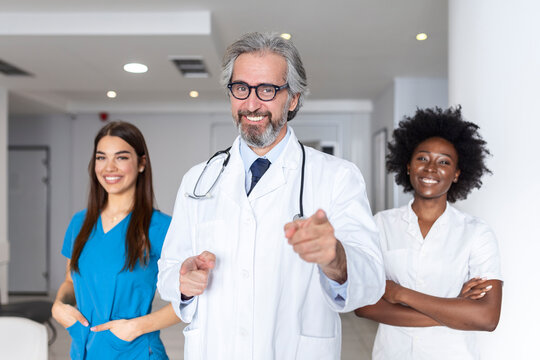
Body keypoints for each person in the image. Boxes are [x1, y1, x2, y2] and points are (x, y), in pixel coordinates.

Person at [157, 32, 384, 359]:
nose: (251, 104)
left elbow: (372, 280)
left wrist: (336, 258)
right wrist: (183, 282)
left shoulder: (338, 177)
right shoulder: (199, 179)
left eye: (267, 90)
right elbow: (168, 271)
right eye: (241, 89)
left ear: (292, 98)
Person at [355, 107, 503, 359]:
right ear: (409, 166)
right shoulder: (380, 225)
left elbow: (487, 317)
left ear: (457, 174)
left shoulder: (476, 233)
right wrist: (456, 310)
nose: (431, 168)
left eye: (444, 162)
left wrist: (399, 294)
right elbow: (363, 305)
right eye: (423, 158)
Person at [52, 121, 180, 359]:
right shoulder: (79, 223)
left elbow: (190, 301)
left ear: (141, 163)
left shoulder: (161, 227)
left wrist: (135, 327)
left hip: (135, 351)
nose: (109, 167)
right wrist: (59, 304)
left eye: (121, 157)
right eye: (101, 158)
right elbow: (70, 281)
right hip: (84, 350)